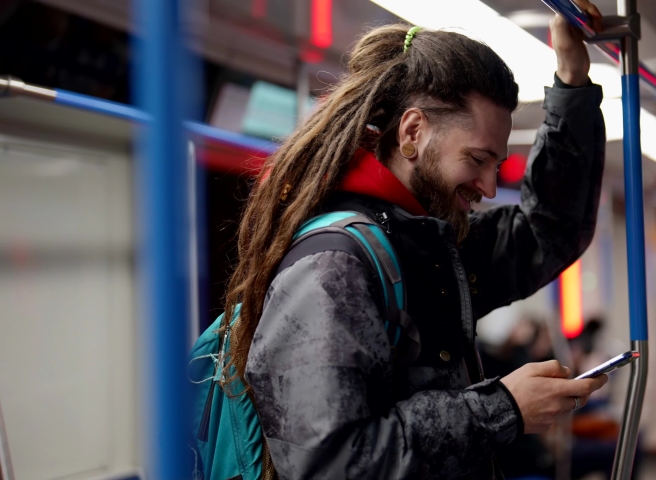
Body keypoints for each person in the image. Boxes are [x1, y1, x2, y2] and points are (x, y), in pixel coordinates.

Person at [223, 1, 608, 477]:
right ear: (412, 133)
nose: (489, 188)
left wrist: (571, 82)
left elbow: (549, 231)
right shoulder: (333, 267)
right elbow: (331, 462)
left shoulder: (424, 244)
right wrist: (502, 408)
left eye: (496, 166)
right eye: (477, 160)